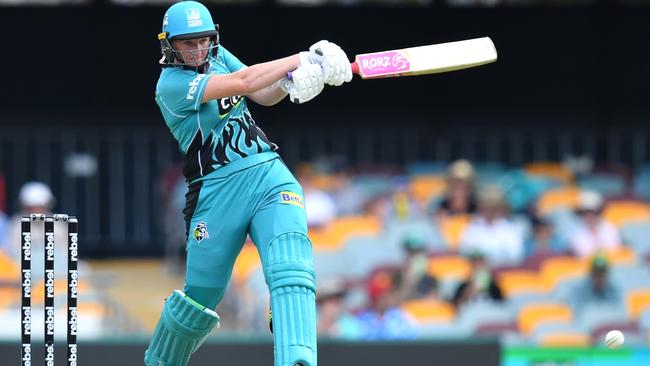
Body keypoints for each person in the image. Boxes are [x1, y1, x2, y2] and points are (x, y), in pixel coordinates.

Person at [144, 2, 352, 366]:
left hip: (266, 170)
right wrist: (301, 58)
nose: (197, 50)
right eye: (187, 43)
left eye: (203, 40)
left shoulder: (218, 53)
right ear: (169, 45)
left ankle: (297, 359)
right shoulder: (171, 85)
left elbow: (261, 94)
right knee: (200, 296)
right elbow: (243, 82)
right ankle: (160, 361)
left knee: (291, 266)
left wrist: (292, 83)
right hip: (216, 190)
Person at [569, 190, 621, 258]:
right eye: (585, 212)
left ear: (598, 212)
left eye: (592, 212)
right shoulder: (576, 232)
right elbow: (582, 253)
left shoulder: (609, 228)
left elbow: (615, 250)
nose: (589, 216)